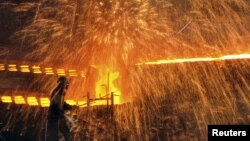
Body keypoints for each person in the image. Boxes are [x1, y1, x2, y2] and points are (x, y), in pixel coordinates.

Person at [45, 76, 76, 141]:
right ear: (63, 84)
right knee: (52, 138)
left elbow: (62, 104)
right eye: (66, 84)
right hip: (53, 119)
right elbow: (55, 106)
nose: (67, 86)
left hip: (58, 118)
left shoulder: (60, 92)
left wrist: (71, 107)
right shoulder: (57, 92)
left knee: (67, 134)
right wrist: (61, 112)